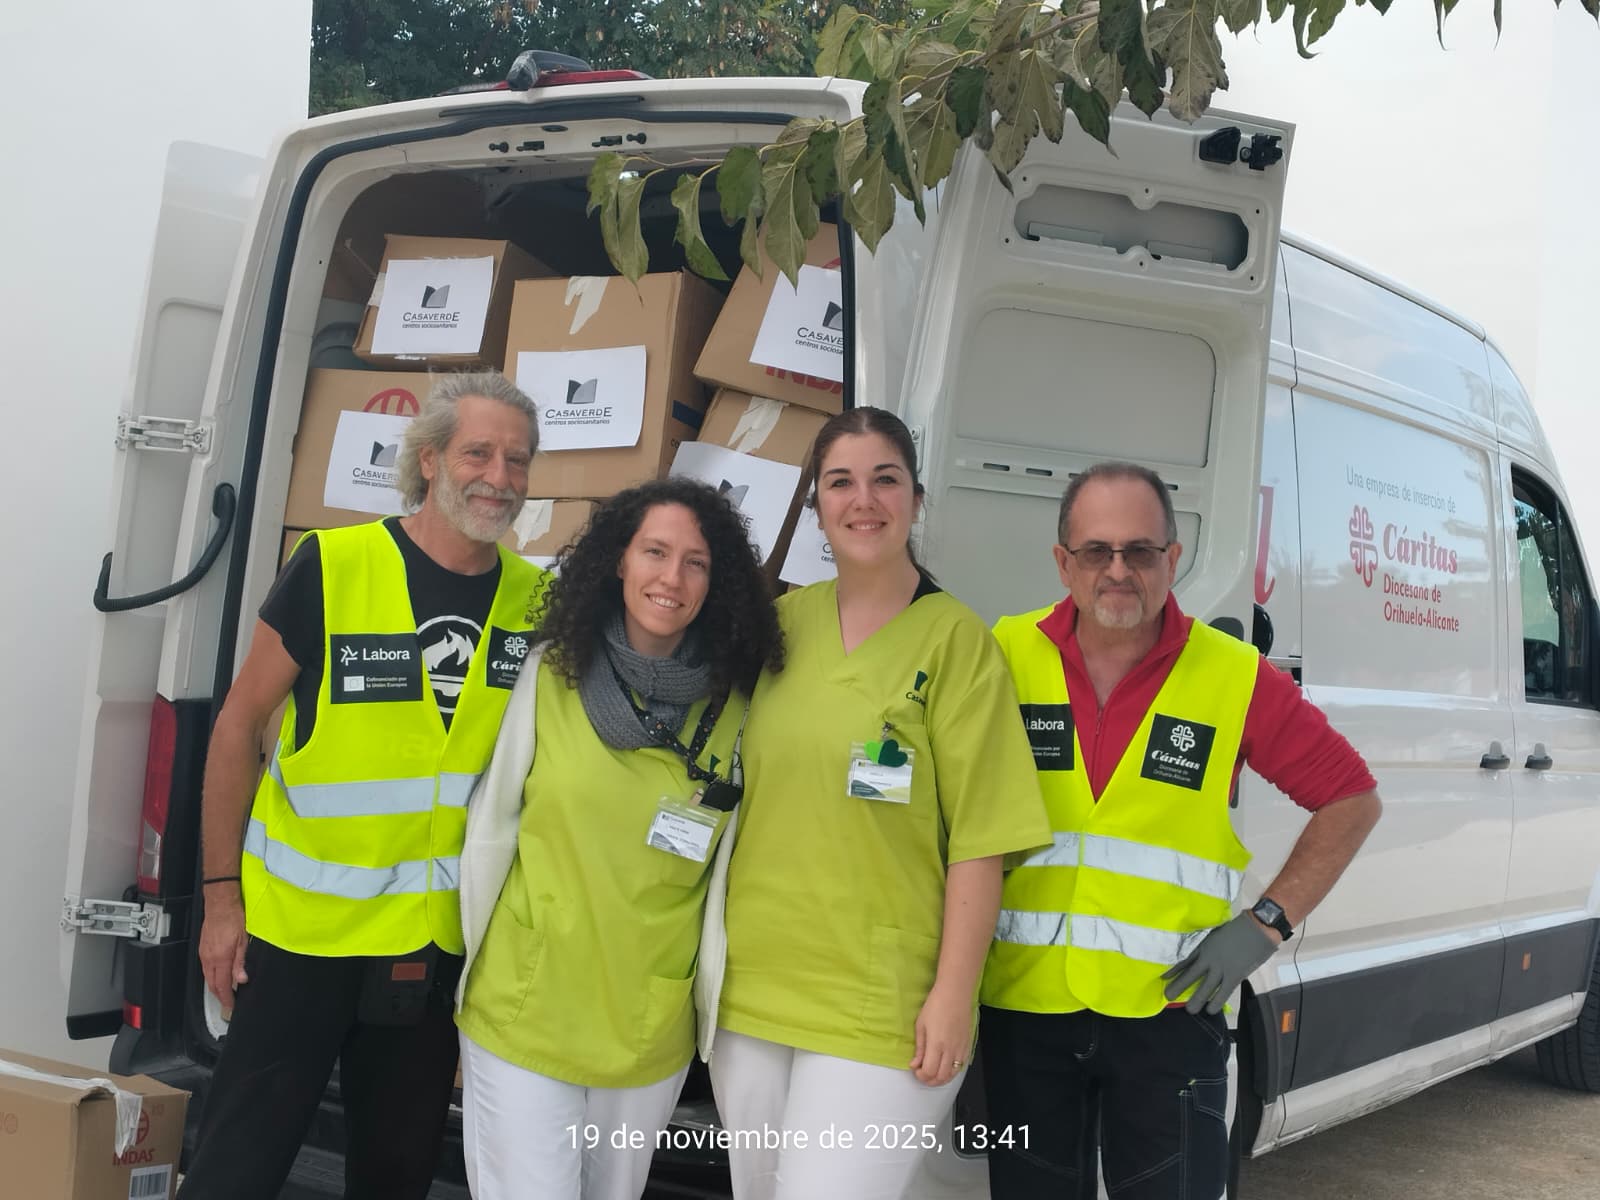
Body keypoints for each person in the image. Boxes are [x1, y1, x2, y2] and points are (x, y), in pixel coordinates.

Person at [178, 371, 547, 1200]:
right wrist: (220, 901)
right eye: (479, 452)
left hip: (429, 948)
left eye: (518, 461)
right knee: (235, 1167)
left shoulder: (538, 601)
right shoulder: (335, 564)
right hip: (301, 938)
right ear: (428, 459)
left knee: (395, 1175)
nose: (500, 477)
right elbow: (237, 729)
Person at [979, 461, 1384, 1200]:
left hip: (1173, 1013)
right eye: (1096, 551)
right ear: (1063, 563)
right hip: (1023, 1011)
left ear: (1173, 558)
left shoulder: (1233, 675)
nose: (1118, 571)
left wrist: (1267, 923)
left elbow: (1352, 799)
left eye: (1140, 551)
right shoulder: (1003, 654)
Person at [708, 407, 1053, 1200]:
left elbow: (982, 840)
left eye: (884, 479)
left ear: (916, 499)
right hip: (753, 987)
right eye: (841, 483)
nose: (864, 500)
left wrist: (953, 996)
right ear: (817, 507)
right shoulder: (779, 627)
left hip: (882, 1000)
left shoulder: (957, 643)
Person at [453, 477, 784, 1200]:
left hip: (645, 1027)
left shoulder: (741, 708)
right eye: (655, 552)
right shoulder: (549, 675)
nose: (671, 578)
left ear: (715, 581)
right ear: (618, 562)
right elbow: (489, 829)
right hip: (525, 1007)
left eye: (695, 562)